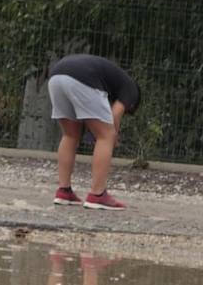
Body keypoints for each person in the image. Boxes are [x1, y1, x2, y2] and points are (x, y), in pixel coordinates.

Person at [47, 53, 141, 210]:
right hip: (82, 78)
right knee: (106, 135)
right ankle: (98, 195)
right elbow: (115, 116)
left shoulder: (114, 80)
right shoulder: (132, 91)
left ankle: (64, 191)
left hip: (56, 76)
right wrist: (112, 139)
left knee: (70, 135)